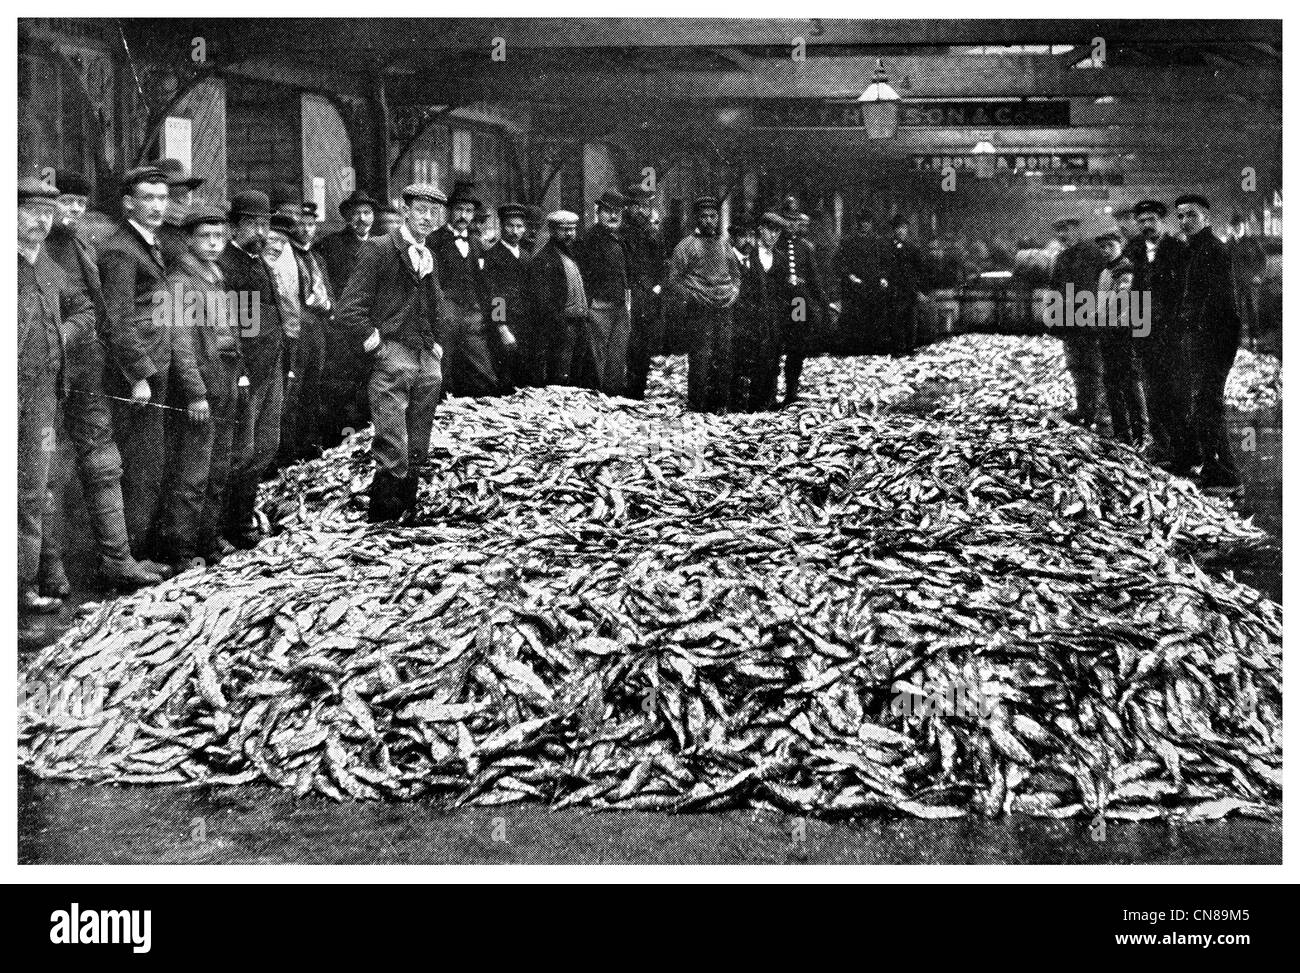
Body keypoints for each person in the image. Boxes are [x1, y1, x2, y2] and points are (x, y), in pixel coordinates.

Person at [39, 171, 164, 595]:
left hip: (87, 367)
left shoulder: (78, 245)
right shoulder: (29, 253)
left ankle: (118, 560)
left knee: (104, 463)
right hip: (41, 370)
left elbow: (94, 307)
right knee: (45, 471)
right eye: (64, 202)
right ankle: (48, 573)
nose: (72, 211)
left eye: (79, 202)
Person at [337, 183, 446, 522]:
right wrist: (377, 344)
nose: (427, 218)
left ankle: (407, 514)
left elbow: (432, 304)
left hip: (424, 356)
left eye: (434, 212)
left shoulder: (427, 255)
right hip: (393, 355)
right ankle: (384, 517)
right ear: (404, 210)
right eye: (421, 210)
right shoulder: (379, 248)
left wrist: (435, 342)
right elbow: (348, 310)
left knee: (419, 441)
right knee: (392, 442)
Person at [18, 177, 96, 613]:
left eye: (48, 213)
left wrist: (62, 335)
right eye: (31, 212)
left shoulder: (46, 266)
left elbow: (85, 308)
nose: (42, 222)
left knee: (34, 491)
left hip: (44, 398)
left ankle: (25, 587)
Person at [98, 165, 182, 565]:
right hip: (138, 376)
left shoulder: (149, 243)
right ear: (128, 203)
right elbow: (117, 320)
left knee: (153, 463)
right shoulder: (120, 249)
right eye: (148, 198)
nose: (157, 206)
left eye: (162, 198)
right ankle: (127, 558)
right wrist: (140, 375)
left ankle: (139, 551)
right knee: (140, 466)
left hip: (157, 365)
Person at [154, 207, 243, 571]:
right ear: (189, 239)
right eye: (205, 237)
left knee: (218, 467)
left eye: (218, 237)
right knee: (192, 472)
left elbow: (231, 332)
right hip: (201, 388)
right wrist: (195, 392)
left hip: (223, 380)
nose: (212, 243)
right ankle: (180, 549)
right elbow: (179, 343)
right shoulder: (180, 281)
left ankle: (208, 538)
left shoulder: (215, 275)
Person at [219, 189, 284, 548]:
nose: (260, 232)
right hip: (247, 373)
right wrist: (242, 372)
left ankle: (243, 516)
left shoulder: (257, 261)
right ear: (234, 226)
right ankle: (232, 525)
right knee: (241, 452)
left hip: (270, 368)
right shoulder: (228, 267)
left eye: (265, 224)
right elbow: (233, 329)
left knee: (265, 446)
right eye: (252, 224)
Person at [1175, 194, 1243, 497]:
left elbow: (1221, 302)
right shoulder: (1197, 249)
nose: (1184, 221)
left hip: (1213, 341)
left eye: (1191, 215)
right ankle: (1218, 471)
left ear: (1206, 217)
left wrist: (1202, 334)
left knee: (1207, 405)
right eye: (1180, 216)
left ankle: (1226, 477)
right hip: (1204, 340)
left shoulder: (1212, 250)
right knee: (1205, 405)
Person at [1123, 200, 1191, 469]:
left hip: (1172, 335)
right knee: (1153, 395)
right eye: (1141, 221)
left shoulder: (1178, 250)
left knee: (1177, 394)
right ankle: (1164, 449)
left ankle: (1186, 452)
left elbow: (1186, 291)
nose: (1146, 226)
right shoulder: (1133, 251)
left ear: (1162, 222)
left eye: (1151, 220)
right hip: (1144, 334)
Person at [666, 195, 742, 413]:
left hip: (724, 310)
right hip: (700, 312)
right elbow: (673, 281)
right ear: (696, 219)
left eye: (713, 216)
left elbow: (736, 275)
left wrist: (734, 292)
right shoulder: (686, 247)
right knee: (701, 358)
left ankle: (721, 406)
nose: (709, 221)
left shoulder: (724, 245)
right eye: (704, 217)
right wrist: (692, 297)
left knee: (724, 356)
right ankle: (698, 406)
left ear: (718, 218)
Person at [318, 189, 378, 448]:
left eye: (367, 213)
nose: (362, 219)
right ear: (346, 217)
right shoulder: (331, 246)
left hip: (374, 327)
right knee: (343, 390)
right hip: (342, 331)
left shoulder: (382, 245)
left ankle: (365, 441)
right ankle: (340, 444)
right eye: (356, 214)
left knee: (371, 386)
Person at [430, 182, 498, 397]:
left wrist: (498, 320)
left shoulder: (478, 245)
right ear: (449, 211)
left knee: (485, 371)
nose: (464, 216)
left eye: (468, 211)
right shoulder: (434, 241)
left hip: (473, 315)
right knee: (441, 370)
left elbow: (490, 286)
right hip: (445, 314)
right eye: (459, 209)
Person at [1047, 216, 1105, 428]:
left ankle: (1095, 412)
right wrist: (1054, 321)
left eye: (1067, 230)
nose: (1062, 235)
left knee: (1092, 366)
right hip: (1069, 322)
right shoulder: (1061, 257)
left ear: (1077, 229)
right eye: (1059, 231)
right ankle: (1083, 408)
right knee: (1075, 366)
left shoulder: (1094, 253)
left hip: (1089, 321)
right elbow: (1054, 289)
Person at [575, 188, 632, 396]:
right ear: (598, 211)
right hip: (598, 306)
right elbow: (581, 275)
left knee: (617, 355)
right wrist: (589, 304)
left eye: (617, 211)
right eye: (608, 211)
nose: (613, 216)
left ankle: (613, 398)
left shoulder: (618, 239)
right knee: (596, 357)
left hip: (619, 305)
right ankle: (598, 400)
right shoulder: (587, 239)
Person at [770, 207, 829, 406]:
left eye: (796, 221)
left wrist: (822, 300)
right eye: (788, 220)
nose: (792, 225)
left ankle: (791, 391)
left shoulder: (805, 247)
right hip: (779, 302)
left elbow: (814, 277)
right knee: (775, 345)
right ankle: (769, 393)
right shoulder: (774, 244)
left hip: (799, 302)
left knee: (797, 347)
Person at [1093, 229, 1147, 447]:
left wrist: (1114, 326)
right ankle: (1122, 433)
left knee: (1130, 382)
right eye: (1102, 247)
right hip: (1108, 334)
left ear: (1120, 245)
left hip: (1122, 335)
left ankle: (1142, 434)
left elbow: (1125, 304)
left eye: (1110, 246)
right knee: (1113, 383)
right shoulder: (1106, 272)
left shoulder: (1124, 270)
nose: (1105, 251)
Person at [527, 211, 588, 386]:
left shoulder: (572, 254)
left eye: (572, 229)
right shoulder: (543, 259)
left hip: (579, 322)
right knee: (560, 376)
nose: (570, 234)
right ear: (553, 231)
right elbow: (543, 301)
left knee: (576, 374)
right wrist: (560, 323)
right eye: (564, 230)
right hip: (561, 326)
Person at [734, 212, 785, 411]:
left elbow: (784, 291)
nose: (773, 236)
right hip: (751, 316)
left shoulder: (780, 259)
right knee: (750, 358)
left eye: (777, 232)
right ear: (760, 230)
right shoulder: (749, 255)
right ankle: (748, 402)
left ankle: (768, 399)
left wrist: (786, 317)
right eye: (770, 230)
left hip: (773, 317)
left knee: (772, 357)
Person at [622, 184, 666, 400]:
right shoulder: (620, 233)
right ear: (628, 207)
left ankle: (637, 391)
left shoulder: (653, 235)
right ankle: (624, 391)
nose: (641, 210)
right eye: (636, 205)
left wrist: (656, 288)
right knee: (626, 345)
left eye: (645, 206)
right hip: (627, 294)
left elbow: (661, 267)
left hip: (647, 297)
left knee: (643, 346)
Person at [482, 203, 530, 390]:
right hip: (504, 325)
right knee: (506, 379)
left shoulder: (526, 256)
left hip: (525, 324)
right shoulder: (493, 256)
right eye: (510, 226)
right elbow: (494, 296)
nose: (515, 231)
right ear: (502, 227)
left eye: (519, 227)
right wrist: (502, 328)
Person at [835, 209, 886, 355]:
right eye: (863, 222)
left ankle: (873, 348)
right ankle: (855, 349)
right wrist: (849, 275)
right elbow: (838, 262)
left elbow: (884, 262)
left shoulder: (878, 241)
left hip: (873, 285)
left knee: (873, 315)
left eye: (868, 222)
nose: (865, 225)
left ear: (871, 224)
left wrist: (882, 277)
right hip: (854, 286)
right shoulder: (848, 241)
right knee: (854, 317)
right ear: (858, 223)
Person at [882, 215, 923, 354]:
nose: (901, 231)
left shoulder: (913, 248)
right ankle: (898, 348)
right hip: (894, 288)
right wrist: (884, 278)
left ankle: (910, 347)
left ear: (907, 230)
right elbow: (883, 266)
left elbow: (920, 269)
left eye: (903, 228)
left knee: (911, 318)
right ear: (894, 230)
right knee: (896, 317)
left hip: (909, 288)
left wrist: (918, 288)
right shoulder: (887, 247)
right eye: (898, 228)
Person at [1226, 211, 1267, 351]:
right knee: (1235, 313)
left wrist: (1258, 275)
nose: (1237, 228)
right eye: (1234, 226)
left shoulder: (1252, 241)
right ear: (1232, 227)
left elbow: (1262, 260)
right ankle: (1236, 342)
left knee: (1252, 311)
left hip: (1251, 283)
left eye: (1239, 225)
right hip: (1235, 284)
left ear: (1243, 226)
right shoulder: (1229, 243)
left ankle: (1254, 340)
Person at [155, 158, 205, 267]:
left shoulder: (190, 228)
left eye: (185, 195)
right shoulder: (153, 235)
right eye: (174, 195)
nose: (182, 201)